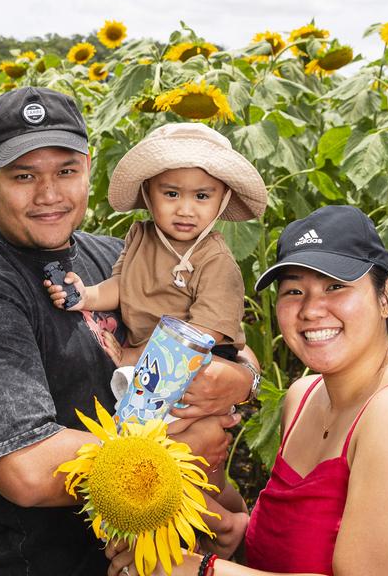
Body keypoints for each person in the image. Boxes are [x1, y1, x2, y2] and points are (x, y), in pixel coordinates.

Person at [0, 86, 257, 575]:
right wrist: (182, 452)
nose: (49, 195)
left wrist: (241, 381)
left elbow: (229, 343)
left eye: (66, 171)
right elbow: (25, 469)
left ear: (87, 167)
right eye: (24, 176)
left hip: (163, 555)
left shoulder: (112, 255)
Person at [107, 205, 388, 576]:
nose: (312, 309)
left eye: (336, 286)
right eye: (295, 291)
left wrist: (200, 570)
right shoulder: (304, 396)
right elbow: (300, 540)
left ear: (386, 298)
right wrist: (228, 529)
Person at [45, 121, 267, 534]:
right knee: (179, 462)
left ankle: (229, 524)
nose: (186, 209)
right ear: (149, 194)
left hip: (193, 369)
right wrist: (88, 296)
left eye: (202, 196)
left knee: (181, 460)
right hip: (149, 371)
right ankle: (227, 525)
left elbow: (208, 334)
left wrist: (133, 356)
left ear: (222, 200)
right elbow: (124, 286)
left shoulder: (216, 260)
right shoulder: (140, 237)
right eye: (171, 194)